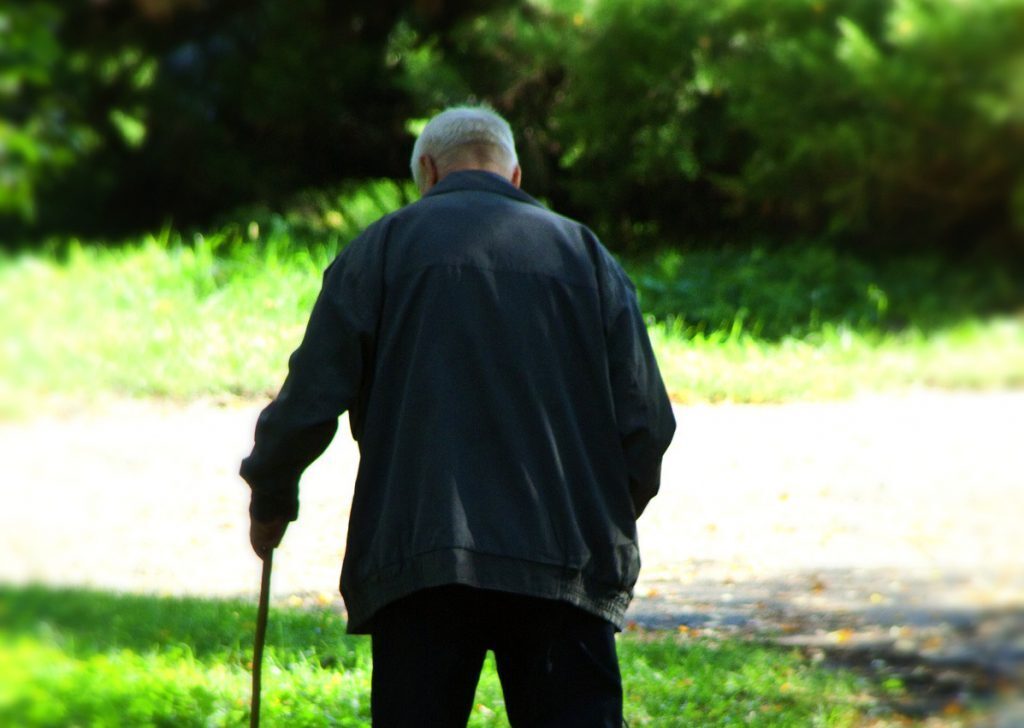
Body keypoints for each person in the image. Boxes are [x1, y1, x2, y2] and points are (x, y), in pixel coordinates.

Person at [241, 105, 676, 727]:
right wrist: (591, 517)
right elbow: (647, 425)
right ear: (516, 175)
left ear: (427, 169)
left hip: (422, 560)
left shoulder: (381, 250)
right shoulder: (587, 256)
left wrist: (270, 498)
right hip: (563, 566)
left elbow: (308, 401)